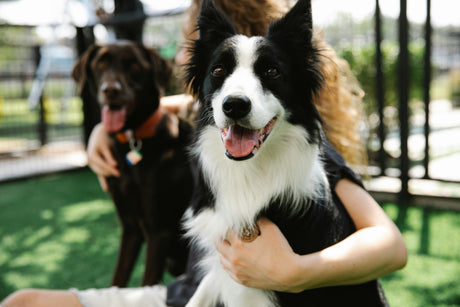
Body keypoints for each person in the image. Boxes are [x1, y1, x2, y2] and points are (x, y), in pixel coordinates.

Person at [0, 0, 407, 306]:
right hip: (189, 291)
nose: (181, 52)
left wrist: (294, 272)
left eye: (186, 37)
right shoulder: (209, 116)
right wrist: (102, 132)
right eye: (218, 70)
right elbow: (176, 106)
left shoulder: (304, 151)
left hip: (229, 295)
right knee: (22, 302)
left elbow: (390, 244)